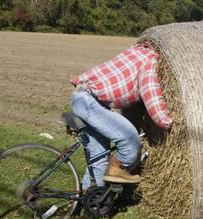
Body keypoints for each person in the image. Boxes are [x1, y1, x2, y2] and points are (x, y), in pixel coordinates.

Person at [69, 42, 172, 190]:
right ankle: (115, 168)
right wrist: (169, 123)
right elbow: (152, 96)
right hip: (89, 101)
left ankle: (89, 199)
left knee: (99, 158)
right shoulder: (150, 62)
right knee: (129, 139)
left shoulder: (138, 51)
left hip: (83, 97)